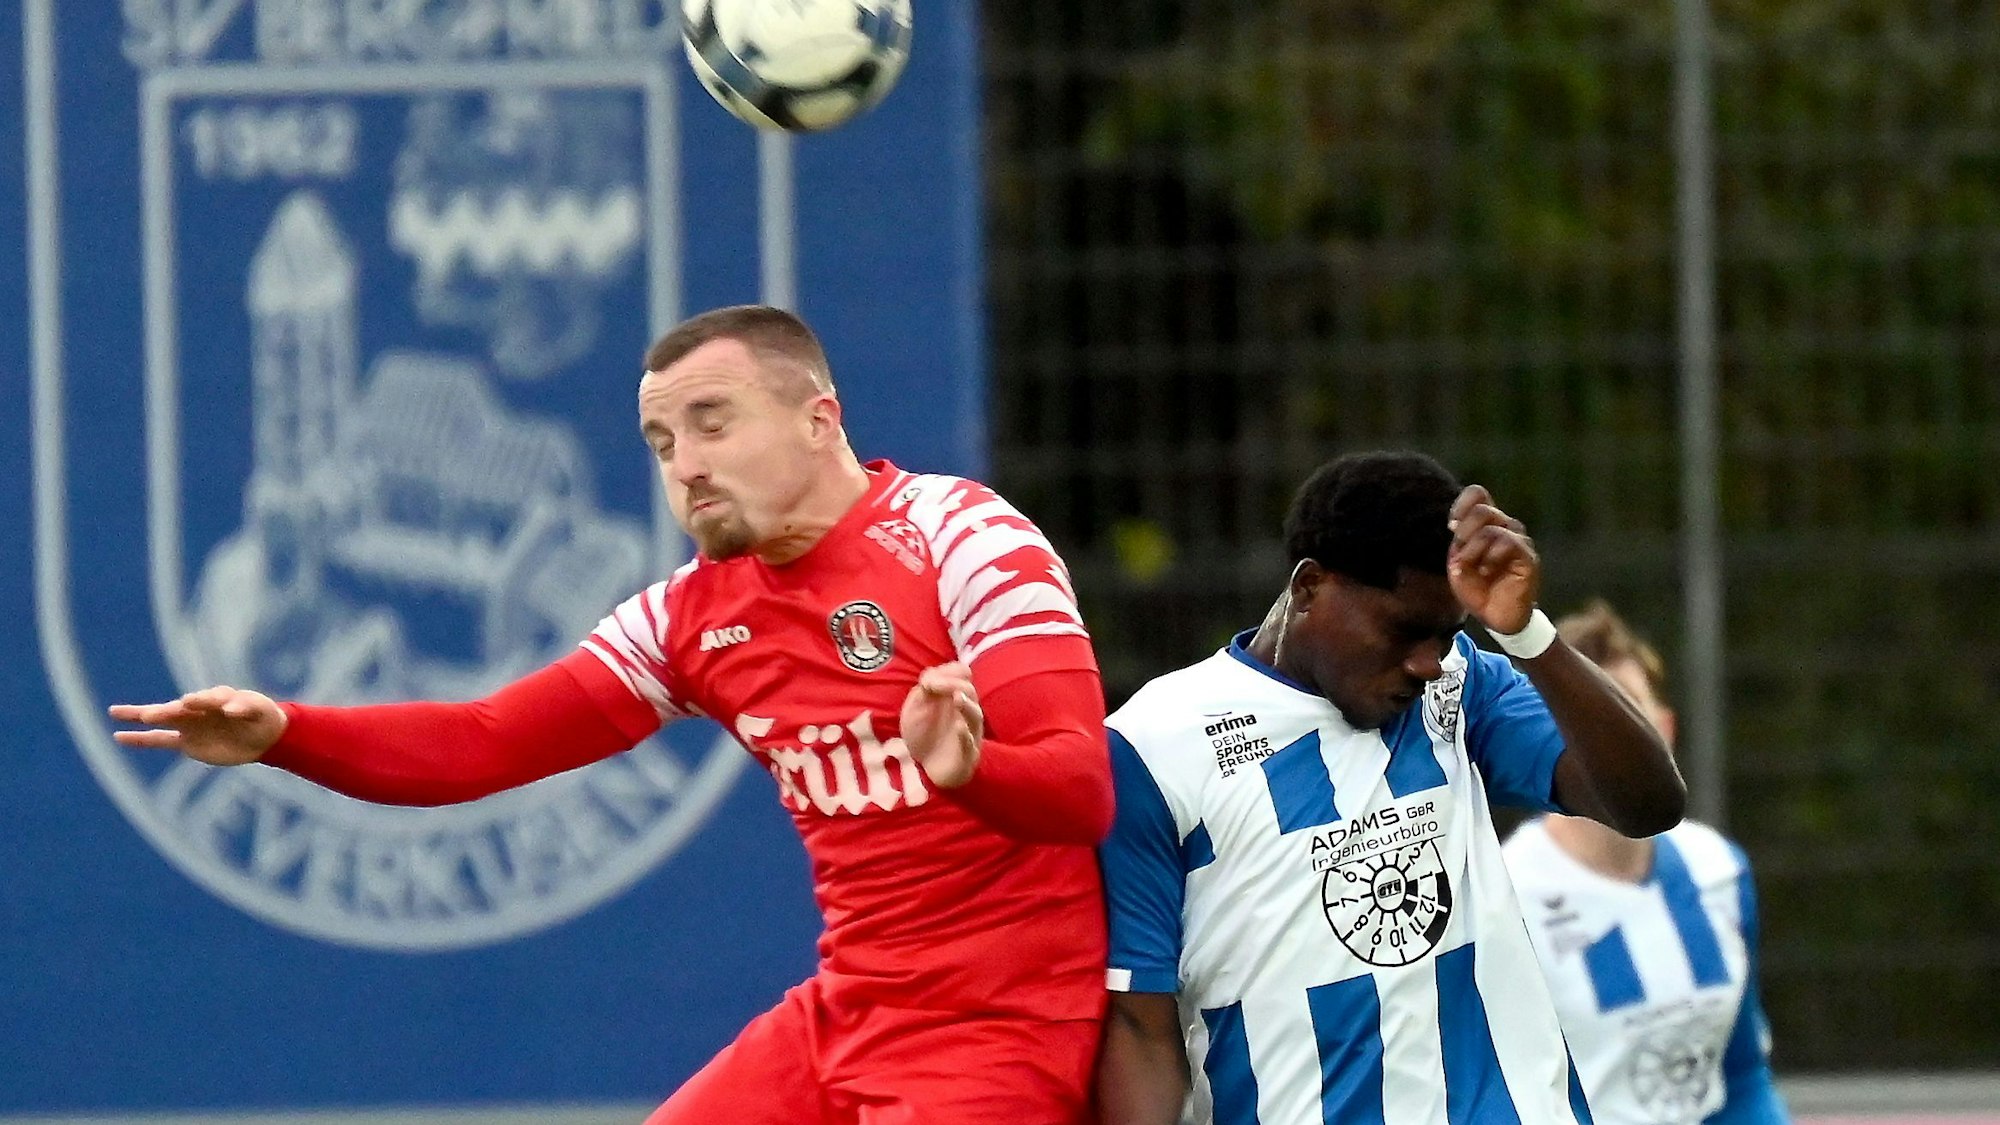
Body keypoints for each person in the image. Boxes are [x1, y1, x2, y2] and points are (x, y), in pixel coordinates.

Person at [110, 305, 1115, 1125]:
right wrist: (287, 735)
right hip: (849, 1010)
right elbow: (482, 743)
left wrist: (969, 768)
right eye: (662, 442)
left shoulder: (962, 538)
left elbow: (1080, 793)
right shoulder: (688, 617)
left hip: (996, 1026)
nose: (685, 464)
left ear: (820, 420)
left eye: (713, 423)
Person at [1094, 450, 1688, 1125]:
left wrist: (1526, 633)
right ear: (1310, 586)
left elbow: (1648, 803)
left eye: (1446, 635)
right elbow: (1140, 1027)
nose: (1427, 662)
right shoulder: (1153, 746)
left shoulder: (1463, 687)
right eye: (1404, 631)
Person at [1503, 602, 1789, 1125]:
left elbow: (1742, 1076)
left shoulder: (1718, 869)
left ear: (1666, 729)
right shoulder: (1505, 895)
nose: (1609, 735)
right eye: (1586, 716)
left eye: (1627, 709)